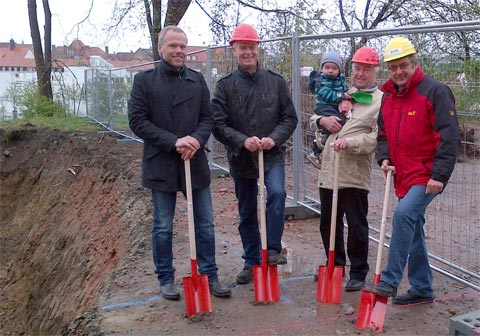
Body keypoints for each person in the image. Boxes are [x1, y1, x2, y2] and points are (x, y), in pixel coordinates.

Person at [128, 25, 231, 300]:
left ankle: (210, 275)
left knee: (205, 223)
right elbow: (138, 122)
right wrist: (174, 141)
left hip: (193, 161)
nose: (178, 51)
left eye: (183, 46)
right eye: (173, 46)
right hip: (161, 161)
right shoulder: (144, 81)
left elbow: (208, 118)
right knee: (163, 225)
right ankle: (166, 278)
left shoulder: (197, 81)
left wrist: (195, 141)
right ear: (161, 48)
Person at [369, 37, 459, 304]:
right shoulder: (388, 97)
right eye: (394, 67)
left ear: (414, 64)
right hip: (402, 175)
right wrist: (384, 158)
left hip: (427, 174)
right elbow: (383, 134)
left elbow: (448, 136)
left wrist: (439, 176)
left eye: (404, 65)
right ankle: (422, 288)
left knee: (404, 214)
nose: (399, 71)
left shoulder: (434, 91)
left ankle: (389, 280)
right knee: (413, 226)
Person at [211, 23, 298, 285]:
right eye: (242, 48)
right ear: (234, 50)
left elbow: (289, 118)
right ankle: (251, 260)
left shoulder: (276, 82)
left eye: (252, 47)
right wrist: (242, 141)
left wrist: (274, 139)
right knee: (247, 210)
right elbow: (218, 124)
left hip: (270, 154)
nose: (248, 52)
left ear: (257, 49)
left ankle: (271, 250)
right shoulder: (225, 86)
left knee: (278, 192)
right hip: (241, 157)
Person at [310, 46, 383, 291]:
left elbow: (376, 138)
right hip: (329, 171)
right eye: (357, 68)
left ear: (375, 71)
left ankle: (359, 271)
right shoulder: (343, 93)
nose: (360, 73)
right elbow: (314, 116)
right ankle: (335, 265)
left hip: (353, 173)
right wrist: (322, 120)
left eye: (366, 69)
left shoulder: (380, 101)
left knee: (356, 224)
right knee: (328, 223)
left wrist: (350, 142)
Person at [307, 51, 351, 169]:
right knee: (338, 121)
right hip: (324, 106)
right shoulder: (321, 80)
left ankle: (318, 151)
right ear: (322, 69)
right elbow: (325, 95)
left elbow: (345, 88)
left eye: (334, 68)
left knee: (341, 120)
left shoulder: (339, 79)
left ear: (339, 70)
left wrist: (349, 93)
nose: (330, 70)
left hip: (333, 107)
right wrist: (342, 96)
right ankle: (320, 139)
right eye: (327, 67)